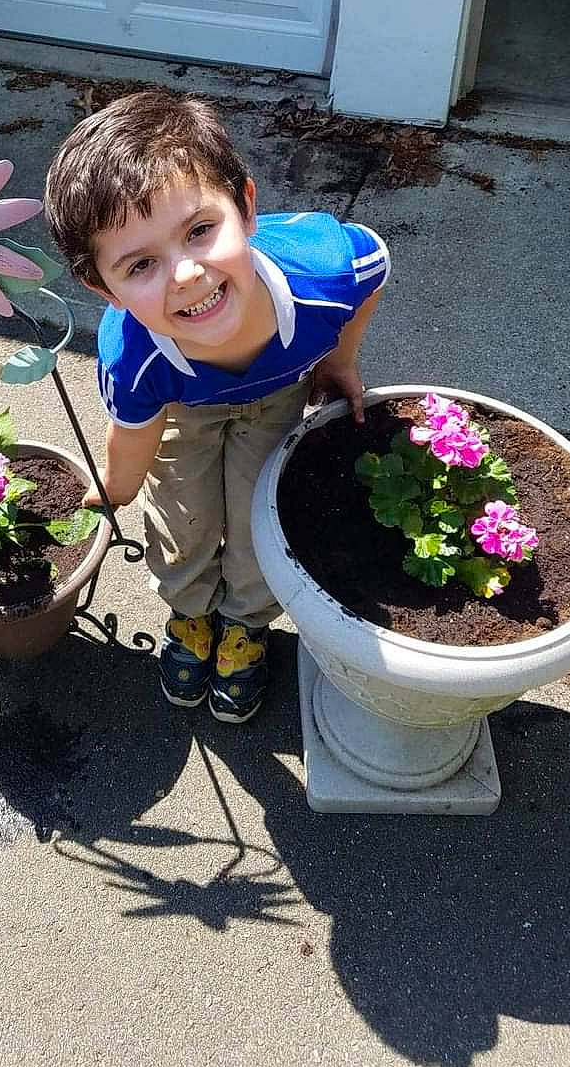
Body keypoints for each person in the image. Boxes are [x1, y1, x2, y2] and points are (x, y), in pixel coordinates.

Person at [43, 91, 390, 723]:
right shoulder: (134, 358)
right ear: (104, 289)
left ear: (247, 207)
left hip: (279, 392)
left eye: (200, 230)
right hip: (185, 411)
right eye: (141, 263)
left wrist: (340, 358)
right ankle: (191, 614)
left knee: (264, 515)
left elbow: (375, 263)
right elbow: (135, 437)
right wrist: (115, 489)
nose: (184, 275)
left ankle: (245, 624)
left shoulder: (325, 276)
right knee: (183, 517)